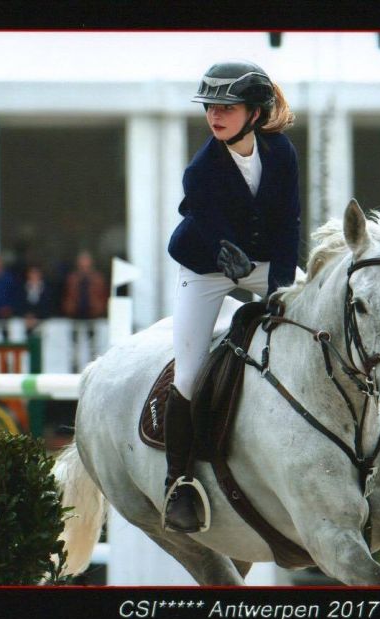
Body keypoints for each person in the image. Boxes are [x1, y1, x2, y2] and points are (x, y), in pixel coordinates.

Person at [161, 60, 300, 532]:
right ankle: (177, 482)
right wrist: (227, 253)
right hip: (206, 268)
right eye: (210, 108)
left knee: (312, 312)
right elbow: (215, 232)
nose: (214, 116)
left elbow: (289, 222)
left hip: (261, 263)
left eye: (226, 107)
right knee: (189, 371)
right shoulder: (200, 171)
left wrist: (282, 282)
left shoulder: (281, 152)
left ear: (255, 113)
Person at [62, 250, 109, 369]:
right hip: (76, 313)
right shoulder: (73, 278)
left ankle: (92, 366)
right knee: (74, 345)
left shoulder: (97, 278)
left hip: (91, 313)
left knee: (92, 344)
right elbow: (67, 294)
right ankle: (74, 366)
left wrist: (99, 308)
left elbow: (102, 295)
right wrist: (69, 306)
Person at [21, 264, 54, 336]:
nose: (34, 275)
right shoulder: (23, 288)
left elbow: (48, 305)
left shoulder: (46, 289)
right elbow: (20, 304)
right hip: (27, 321)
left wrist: (37, 318)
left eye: (36, 273)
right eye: (32, 273)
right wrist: (27, 315)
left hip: (42, 320)